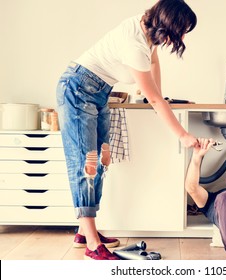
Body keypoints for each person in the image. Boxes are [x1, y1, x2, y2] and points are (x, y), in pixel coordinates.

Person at [56, 0, 198, 260]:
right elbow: (154, 100)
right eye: (182, 30)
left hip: (98, 93)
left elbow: (154, 64)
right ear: (168, 24)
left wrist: (158, 93)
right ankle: (91, 243)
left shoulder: (146, 30)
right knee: (85, 164)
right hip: (78, 89)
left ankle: (84, 232)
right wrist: (183, 135)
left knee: (98, 162)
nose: (183, 36)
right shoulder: (134, 45)